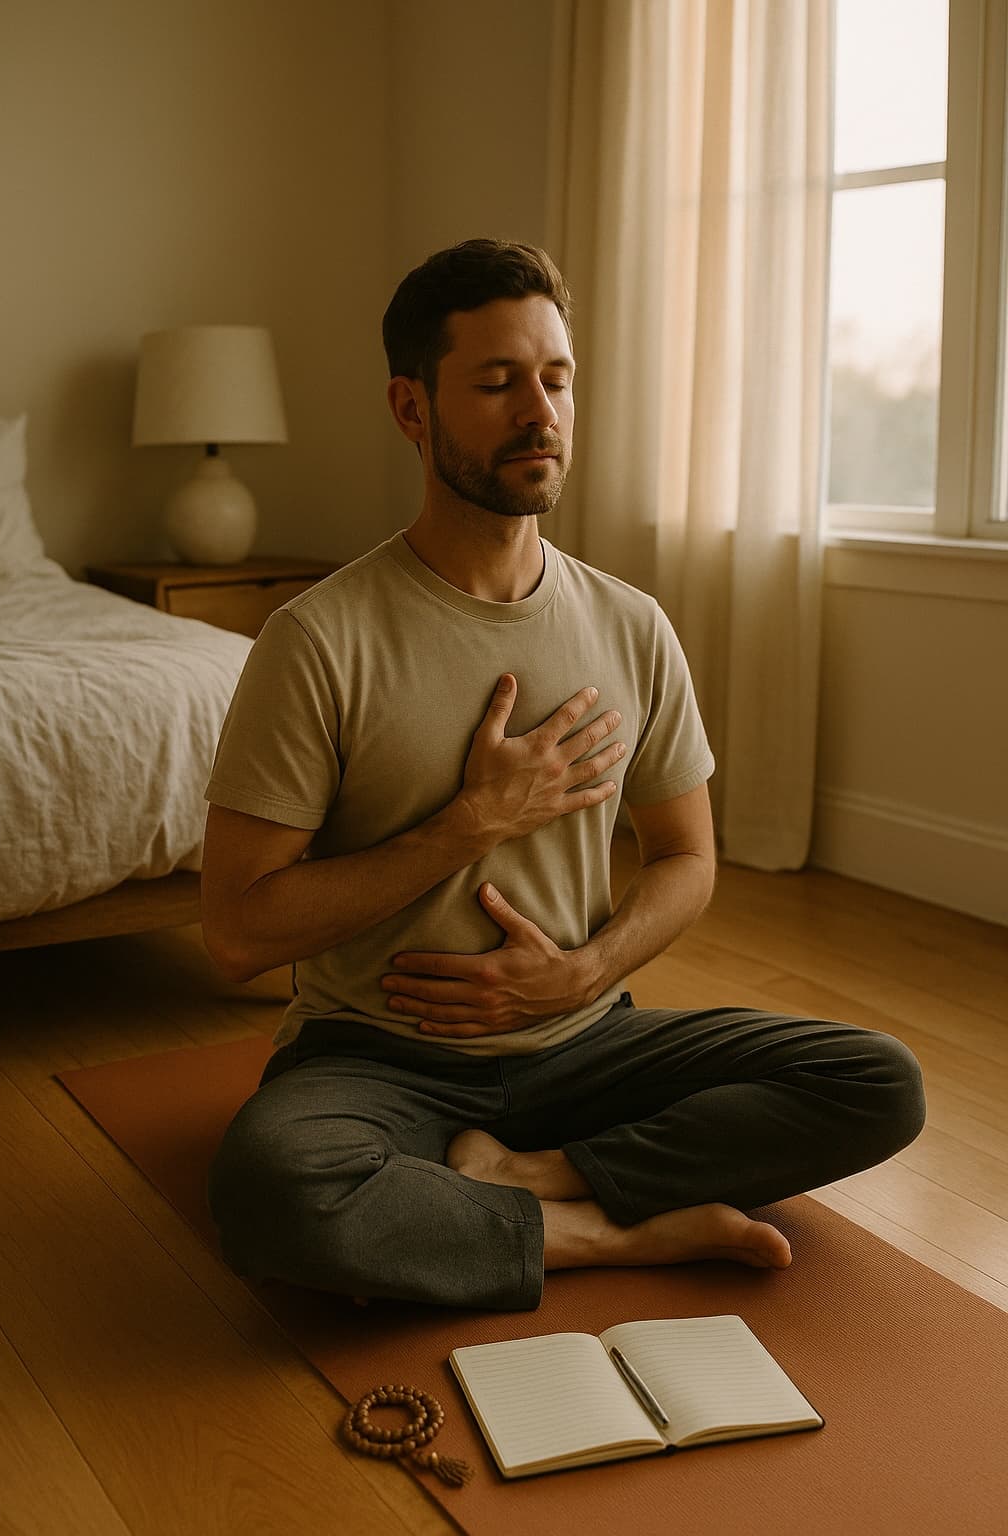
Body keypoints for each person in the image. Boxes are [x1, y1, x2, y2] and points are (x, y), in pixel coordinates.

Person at [201, 237, 925, 1310]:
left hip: (588, 1040)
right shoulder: (318, 640)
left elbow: (686, 856)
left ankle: (533, 1181)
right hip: (378, 1055)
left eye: (556, 378)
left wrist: (587, 973)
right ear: (411, 410)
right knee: (272, 1184)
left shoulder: (631, 625)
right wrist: (468, 823)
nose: (539, 412)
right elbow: (236, 933)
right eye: (496, 384)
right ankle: (601, 1233)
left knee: (877, 1081)